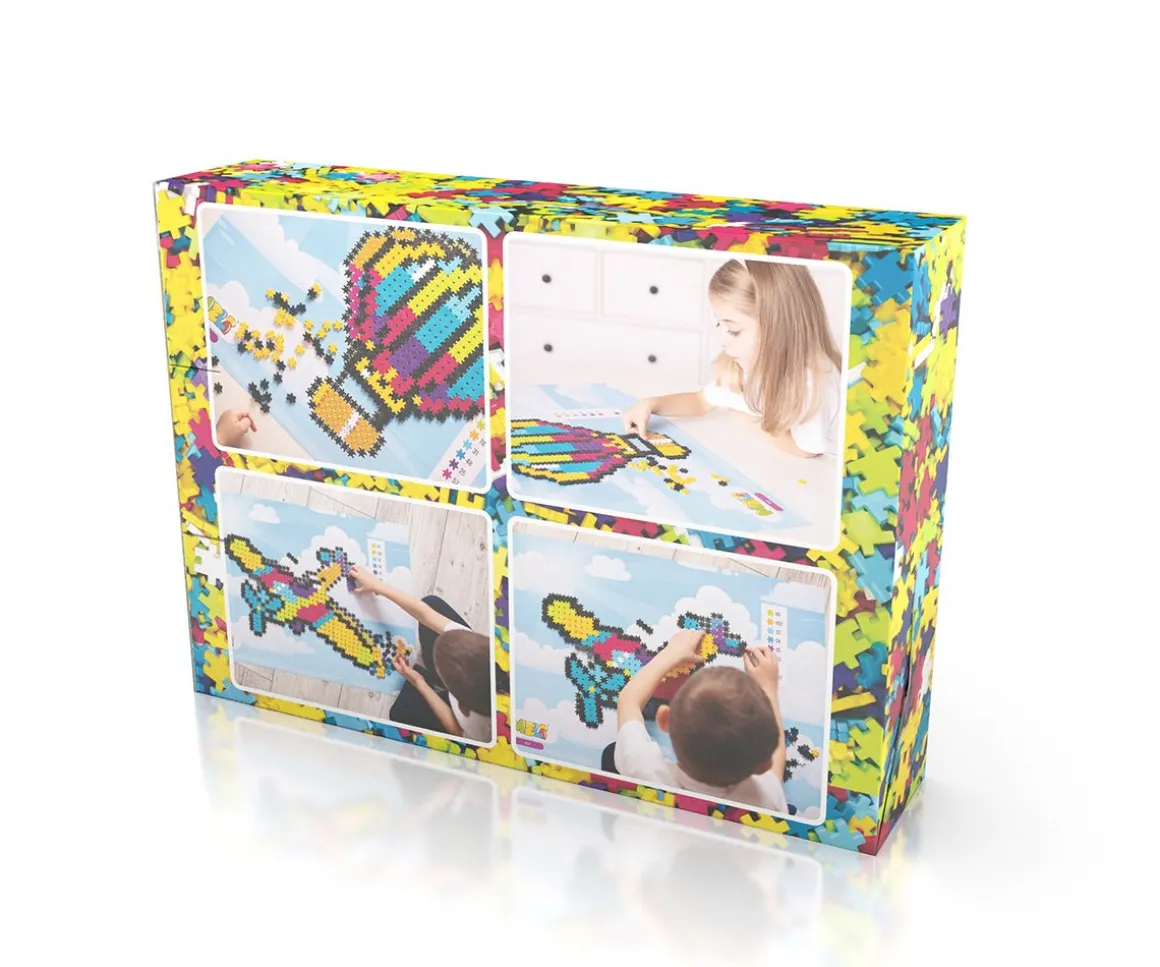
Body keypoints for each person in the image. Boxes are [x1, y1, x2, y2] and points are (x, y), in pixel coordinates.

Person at [621, 259, 843, 458]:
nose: (722, 340)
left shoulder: (812, 380)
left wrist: (752, 423)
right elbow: (702, 401)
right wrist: (651, 404)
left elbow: (805, 449)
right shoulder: (745, 368)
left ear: (779, 329)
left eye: (733, 330)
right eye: (720, 324)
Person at [610, 629, 788, 812]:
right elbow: (777, 763)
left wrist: (671, 653)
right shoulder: (764, 801)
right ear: (764, 766)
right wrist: (768, 686)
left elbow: (629, 700)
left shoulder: (642, 769)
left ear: (664, 720)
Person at [348, 565, 492, 743]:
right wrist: (376, 585)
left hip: (465, 715)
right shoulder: (479, 653)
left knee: (400, 715)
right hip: (469, 684)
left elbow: (457, 730)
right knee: (432, 604)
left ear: (463, 706)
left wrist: (420, 683)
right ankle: (432, 677)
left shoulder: (483, 732)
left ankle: (433, 681)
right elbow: (426, 613)